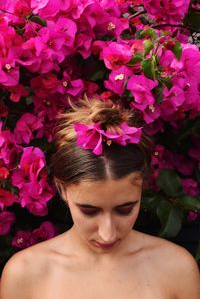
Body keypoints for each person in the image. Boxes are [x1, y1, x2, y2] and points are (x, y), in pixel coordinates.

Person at [1, 97, 200, 299]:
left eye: (125, 209)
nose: (108, 234)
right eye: (89, 211)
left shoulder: (177, 269)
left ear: (142, 190)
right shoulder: (25, 274)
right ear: (62, 189)